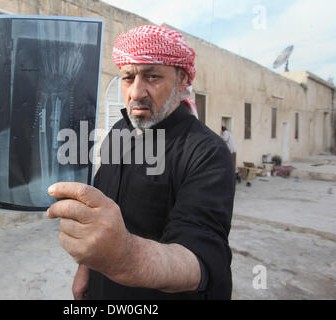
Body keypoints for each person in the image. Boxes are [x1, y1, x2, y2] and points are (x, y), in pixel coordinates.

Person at [46, 25, 235, 300]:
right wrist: (85, 267)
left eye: (152, 76)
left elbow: (203, 259)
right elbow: (100, 205)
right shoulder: (118, 131)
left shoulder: (206, 152)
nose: (136, 92)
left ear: (182, 80)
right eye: (128, 78)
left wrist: (125, 257)